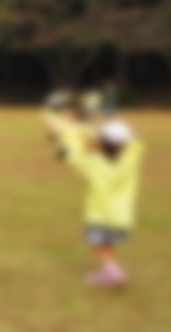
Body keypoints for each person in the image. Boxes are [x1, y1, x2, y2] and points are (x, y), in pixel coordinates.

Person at [49, 117, 144, 287]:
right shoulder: (132, 158)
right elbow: (134, 140)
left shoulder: (93, 163)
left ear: (102, 143)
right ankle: (108, 270)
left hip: (99, 214)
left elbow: (65, 154)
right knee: (108, 244)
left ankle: (113, 272)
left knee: (99, 245)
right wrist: (107, 136)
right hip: (122, 216)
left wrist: (58, 135)